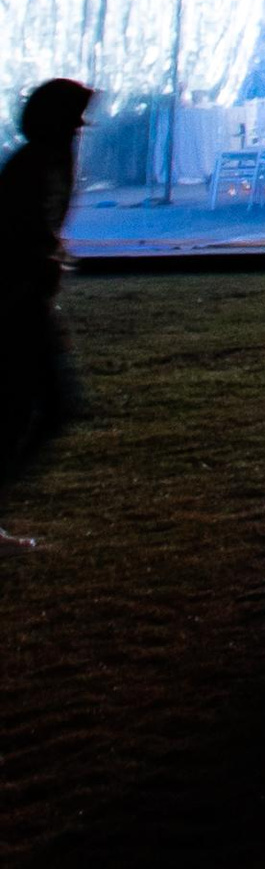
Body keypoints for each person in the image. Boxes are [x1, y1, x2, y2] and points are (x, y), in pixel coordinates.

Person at [0, 77, 88, 532]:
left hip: (25, 298)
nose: (79, 128)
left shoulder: (41, 161)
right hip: (17, 301)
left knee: (29, 408)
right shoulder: (37, 165)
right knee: (38, 406)